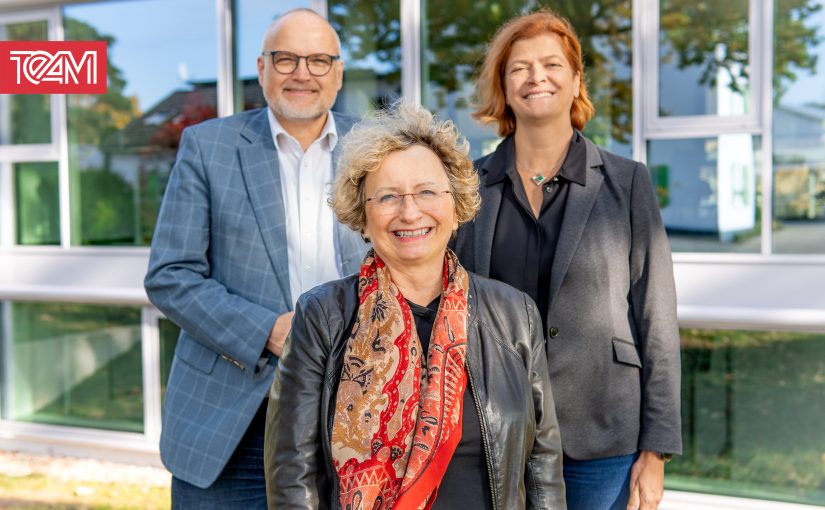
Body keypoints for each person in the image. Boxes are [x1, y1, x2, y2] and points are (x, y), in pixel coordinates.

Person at [263, 102, 567, 510]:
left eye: (426, 192)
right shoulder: (322, 316)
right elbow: (292, 477)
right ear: (363, 218)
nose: (409, 212)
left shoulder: (515, 315)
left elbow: (543, 466)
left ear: (456, 207)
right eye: (387, 196)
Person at [453, 10, 682, 510]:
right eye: (520, 68)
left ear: (576, 79)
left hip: (602, 438)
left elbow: (657, 318)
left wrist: (656, 450)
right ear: (504, 86)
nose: (537, 77)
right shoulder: (467, 188)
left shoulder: (627, 182)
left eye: (552, 64)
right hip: (492, 431)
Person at [144, 8, 366, 508]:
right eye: (285, 58)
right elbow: (170, 276)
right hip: (234, 421)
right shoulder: (208, 146)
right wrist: (268, 330)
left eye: (317, 60)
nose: (302, 73)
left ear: (337, 72)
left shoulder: (375, 149)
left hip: (354, 414)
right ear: (262, 69)